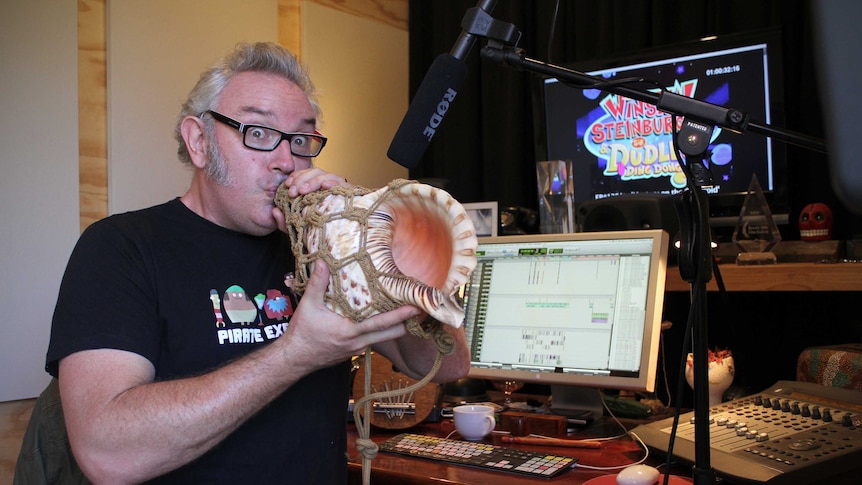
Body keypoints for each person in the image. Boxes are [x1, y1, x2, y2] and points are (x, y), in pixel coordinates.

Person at [41, 42, 470, 484]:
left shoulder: (314, 249)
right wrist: (296, 354)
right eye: (259, 133)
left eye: (301, 139)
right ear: (199, 142)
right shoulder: (121, 248)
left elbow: (449, 365)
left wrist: (367, 236)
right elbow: (106, 454)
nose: (287, 161)